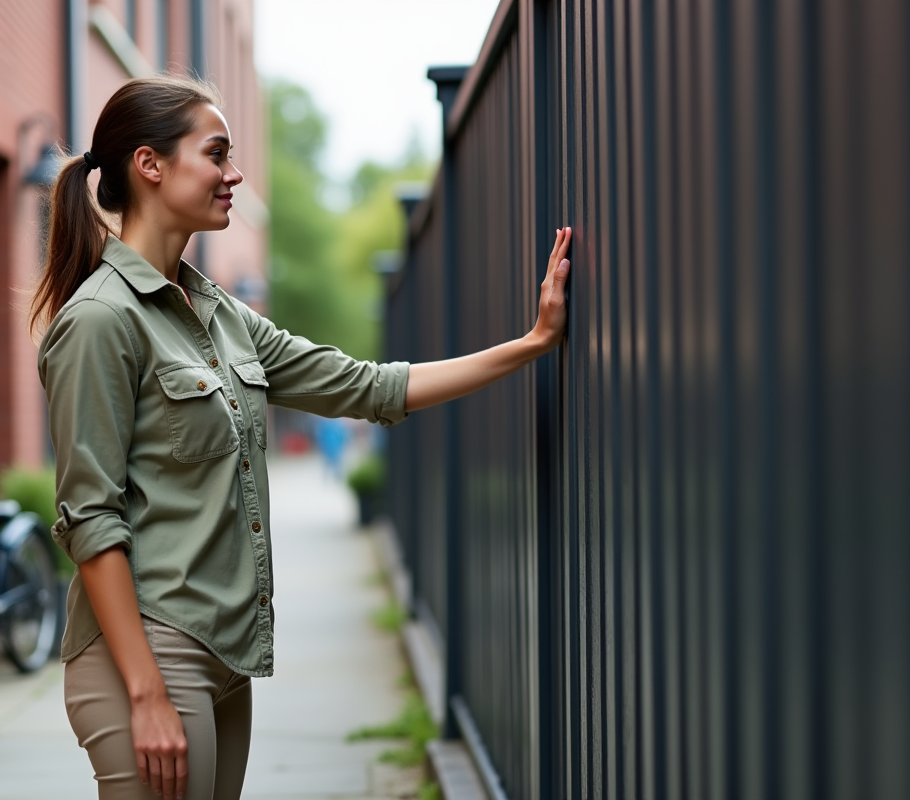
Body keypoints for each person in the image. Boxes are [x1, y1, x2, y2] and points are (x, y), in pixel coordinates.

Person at [31, 75, 572, 800]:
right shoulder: (101, 321)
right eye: (216, 153)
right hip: (150, 655)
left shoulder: (218, 313)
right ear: (149, 165)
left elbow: (367, 387)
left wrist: (531, 344)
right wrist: (144, 692)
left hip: (222, 655)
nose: (235, 174)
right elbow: (90, 520)